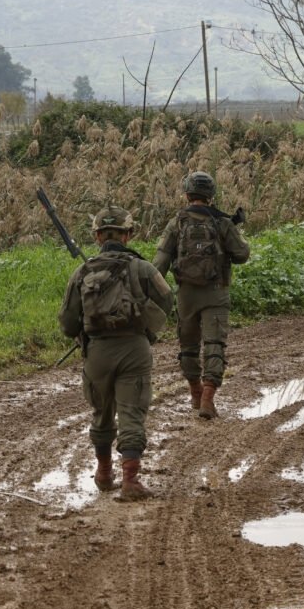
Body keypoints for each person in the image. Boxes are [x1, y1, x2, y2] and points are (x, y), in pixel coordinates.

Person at [58, 206, 174, 501]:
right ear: (128, 235)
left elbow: (67, 322)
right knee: (132, 412)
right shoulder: (143, 268)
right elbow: (166, 299)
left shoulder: (82, 272)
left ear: (97, 236)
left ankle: (104, 473)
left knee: (101, 412)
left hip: (96, 352)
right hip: (134, 349)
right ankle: (131, 480)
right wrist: (145, 323)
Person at [151, 171, 250, 420]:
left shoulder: (178, 222)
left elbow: (160, 262)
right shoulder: (222, 222)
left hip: (186, 294)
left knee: (189, 346)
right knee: (214, 344)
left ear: (187, 194)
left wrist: (147, 291)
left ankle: (195, 392)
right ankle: (208, 398)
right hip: (216, 293)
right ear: (211, 196)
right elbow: (241, 255)